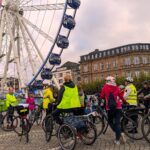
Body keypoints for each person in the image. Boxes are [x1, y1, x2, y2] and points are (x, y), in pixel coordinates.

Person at [100, 76, 127, 145]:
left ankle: (120, 133)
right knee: (117, 123)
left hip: (110, 108)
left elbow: (102, 96)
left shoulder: (105, 87)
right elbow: (121, 96)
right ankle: (117, 139)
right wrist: (125, 101)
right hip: (118, 107)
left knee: (110, 121)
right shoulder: (116, 87)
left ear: (107, 81)